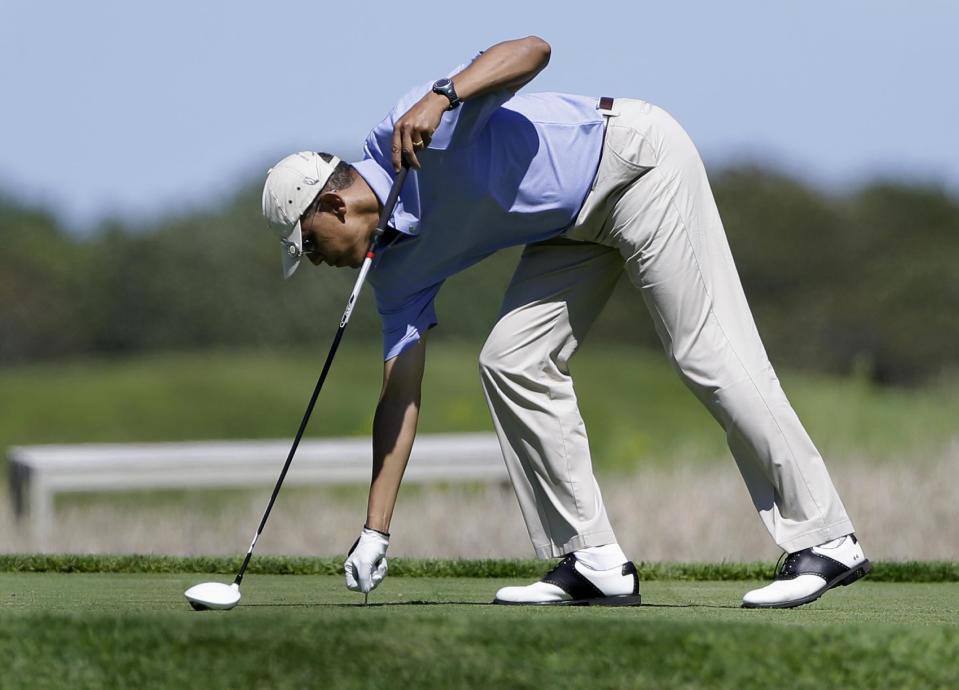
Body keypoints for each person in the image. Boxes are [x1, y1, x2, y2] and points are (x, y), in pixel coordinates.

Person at [261, 36, 870, 608]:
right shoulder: (393, 273)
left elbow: (533, 50)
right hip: (567, 227)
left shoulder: (414, 129)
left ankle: (825, 538)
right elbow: (398, 397)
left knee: (706, 350)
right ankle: (592, 560)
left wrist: (445, 94)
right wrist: (376, 529)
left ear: (335, 205)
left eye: (310, 243)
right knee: (512, 362)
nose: (315, 260)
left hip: (633, 162)